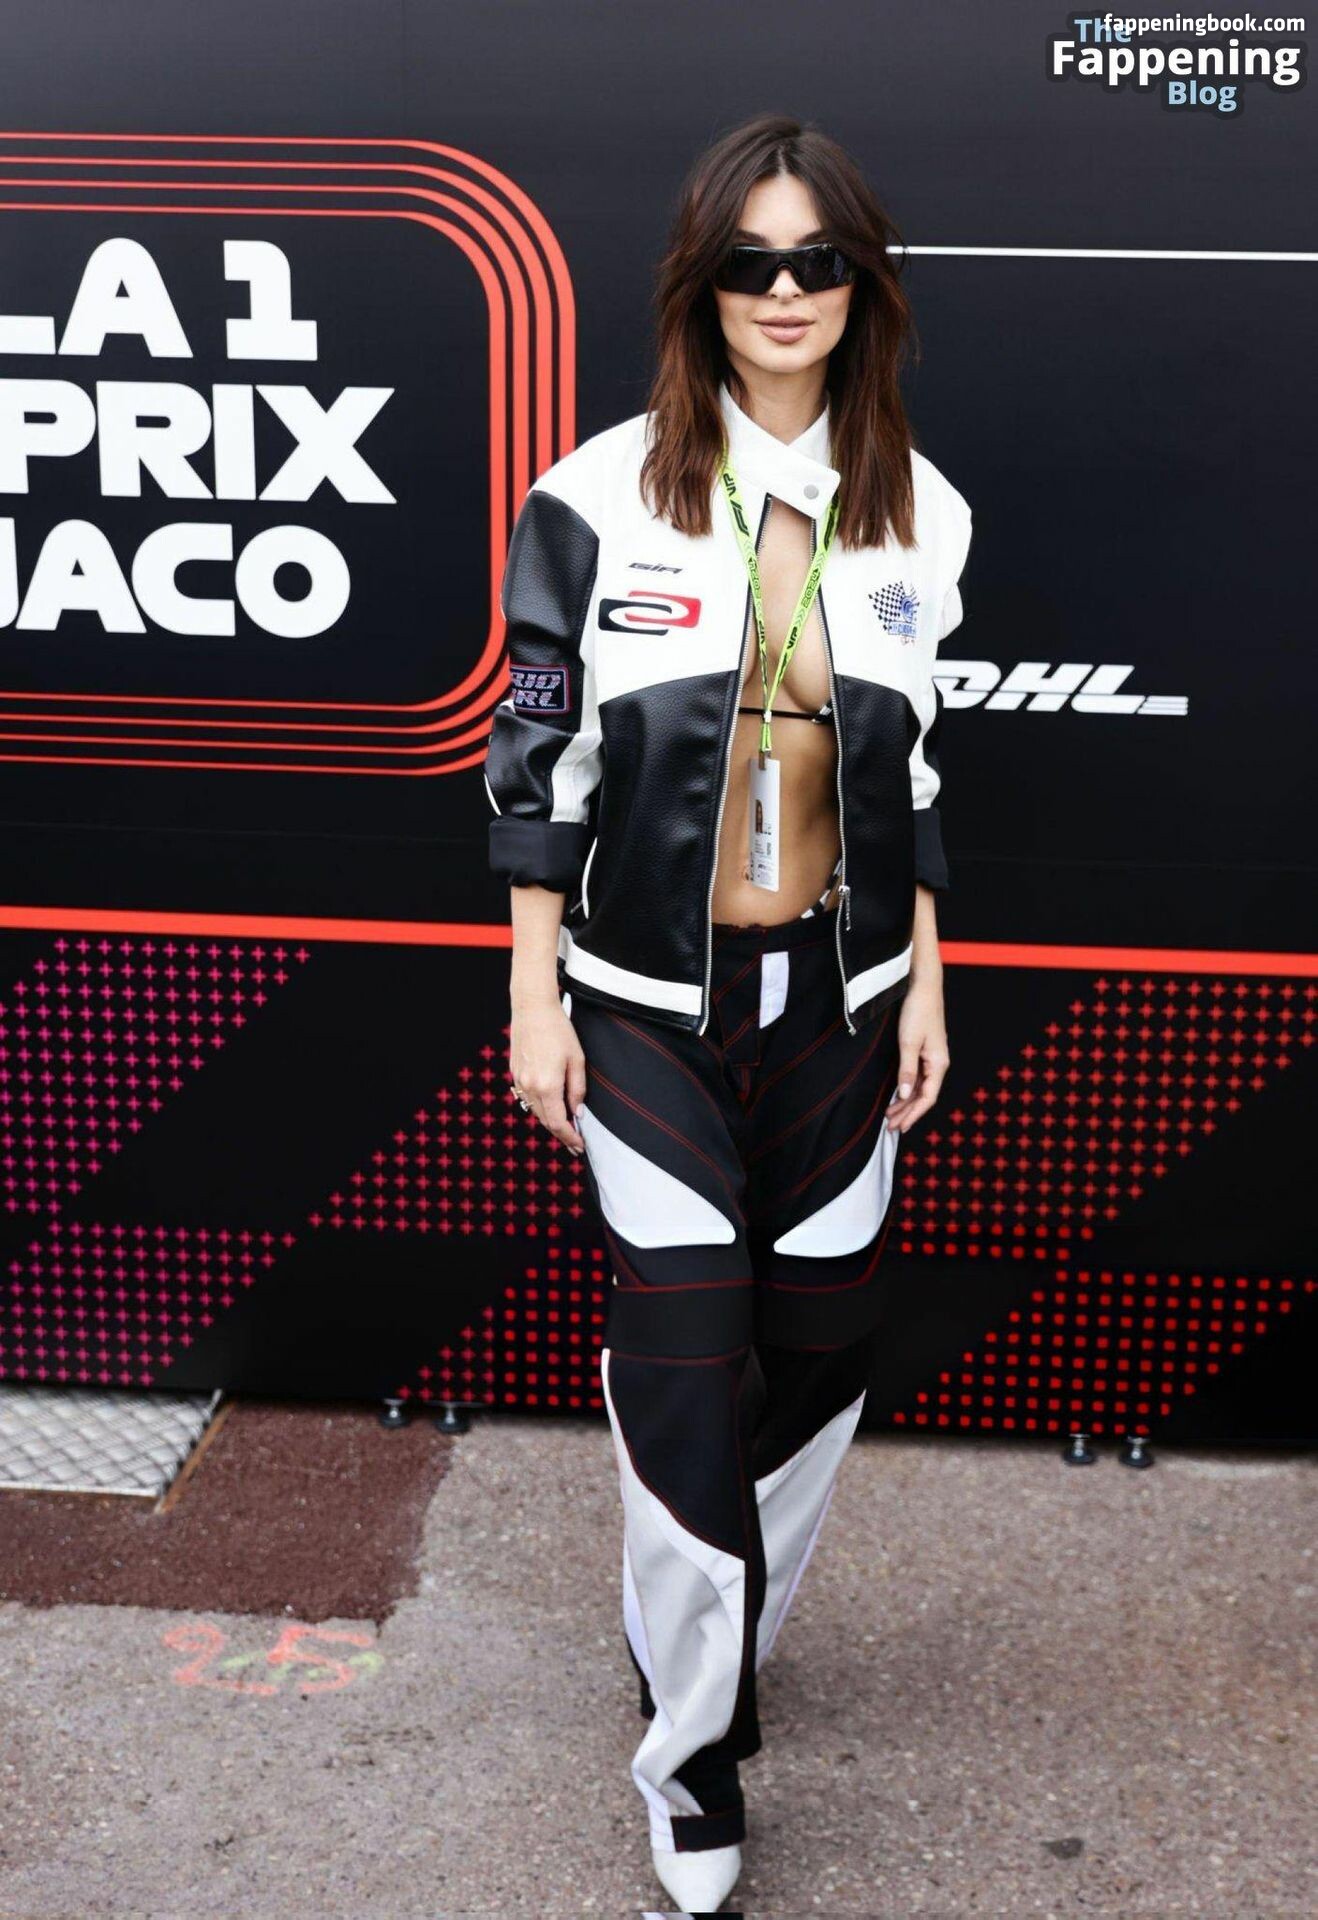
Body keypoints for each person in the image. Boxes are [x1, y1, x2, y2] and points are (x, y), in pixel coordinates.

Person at [482, 111, 972, 1914]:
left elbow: (913, 774)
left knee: (822, 1351)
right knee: (685, 1364)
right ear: (700, 286)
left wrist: (924, 974)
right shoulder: (592, 496)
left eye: (815, 262)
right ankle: (691, 1758)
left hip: (840, 1006)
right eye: (749, 263)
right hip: (643, 1012)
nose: (783, 292)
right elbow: (535, 758)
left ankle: (714, 1619)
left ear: (861, 287)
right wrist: (534, 996)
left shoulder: (923, 511)